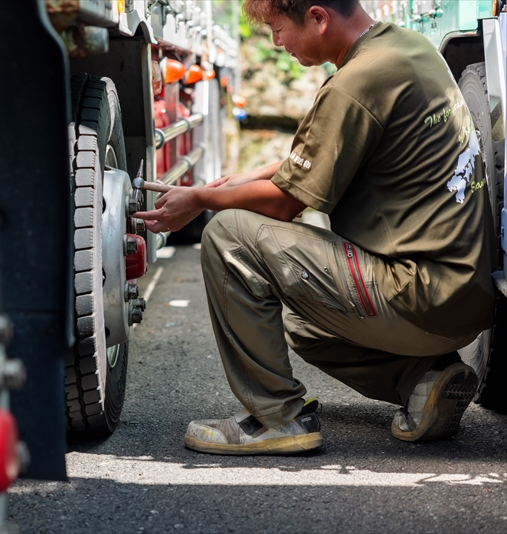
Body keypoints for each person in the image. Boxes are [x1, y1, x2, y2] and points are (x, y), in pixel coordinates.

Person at [135, 0, 496, 455]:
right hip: (463, 298)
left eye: (277, 28)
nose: (275, 42)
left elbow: (287, 202)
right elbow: (318, 158)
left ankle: (276, 419)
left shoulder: (355, 84)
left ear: (318, 17)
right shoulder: (406, 49)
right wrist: (239, 179)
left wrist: (202, 199)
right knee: (304, 326)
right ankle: (425, 378)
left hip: (418, 293)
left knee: (227, 234)